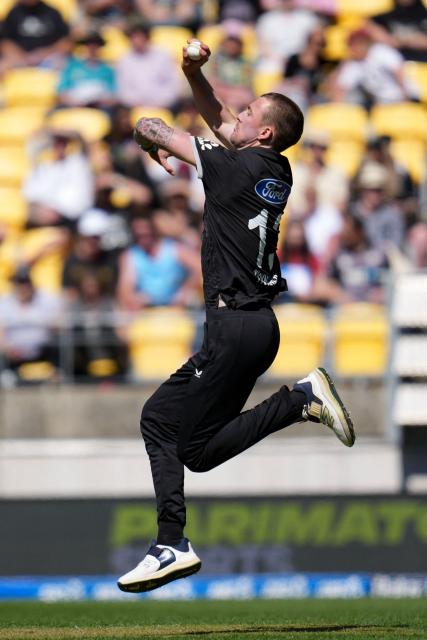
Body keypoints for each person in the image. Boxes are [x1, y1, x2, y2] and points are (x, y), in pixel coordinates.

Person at [117, 38, 355, 594]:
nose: (235, 114)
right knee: (195, 452)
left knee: (157, 420)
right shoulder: (272, 169)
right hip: (258, 327)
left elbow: (154, 126)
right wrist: (190, 72)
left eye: (248, 113)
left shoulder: (230, 168)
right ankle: (298, 401)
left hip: (232, 327)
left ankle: (170, 542)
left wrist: (148, 134)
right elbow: (221, 121)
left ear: (263, 133)